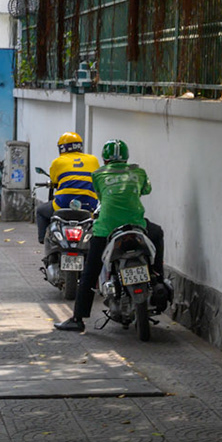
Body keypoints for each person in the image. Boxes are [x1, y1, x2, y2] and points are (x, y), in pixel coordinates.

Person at [53, 140, 166, 333]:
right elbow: (146, 190)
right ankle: (157, 273)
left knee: (89, 273)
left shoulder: (98, 175)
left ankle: (78, 318)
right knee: (158, 232)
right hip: (136, 226)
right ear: (126, 157)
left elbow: (101, 197)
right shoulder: (138, 172)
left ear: (105, 159)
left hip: (106, 229)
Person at [35, 131, 102, 243]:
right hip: (89, 206)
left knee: (41, 211)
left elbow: (54, 180)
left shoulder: (58, 162)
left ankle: (43, 240)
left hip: (63, 205)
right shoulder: (93, 160)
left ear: (62, 148)